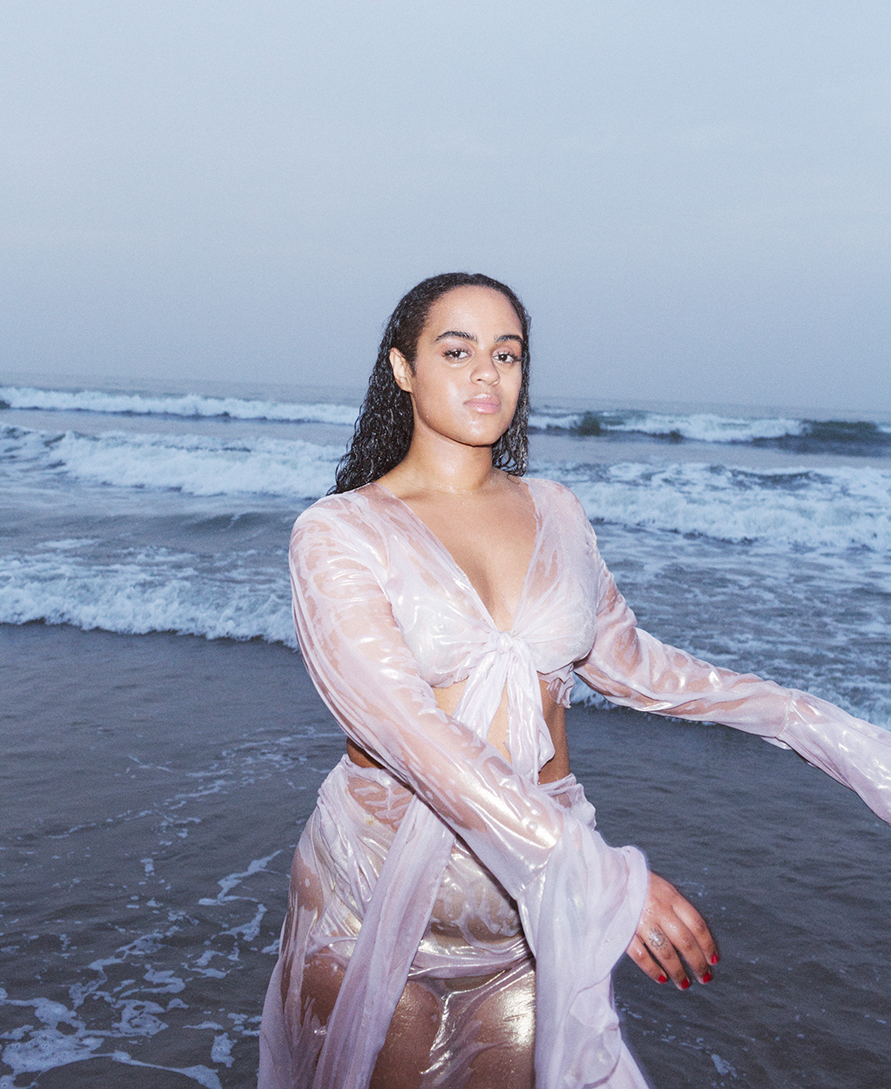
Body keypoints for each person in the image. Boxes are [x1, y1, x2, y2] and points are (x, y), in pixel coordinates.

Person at [258, 273, 891, 1089]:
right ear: (403, 368)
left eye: (507, 354)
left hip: (531, 922)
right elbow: (410, 732)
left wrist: (825, 730)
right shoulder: (339, 532)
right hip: (374, 905)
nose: (487, 374)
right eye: (457, 350)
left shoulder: (555, 509)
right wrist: (596, 875)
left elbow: (640, 666)